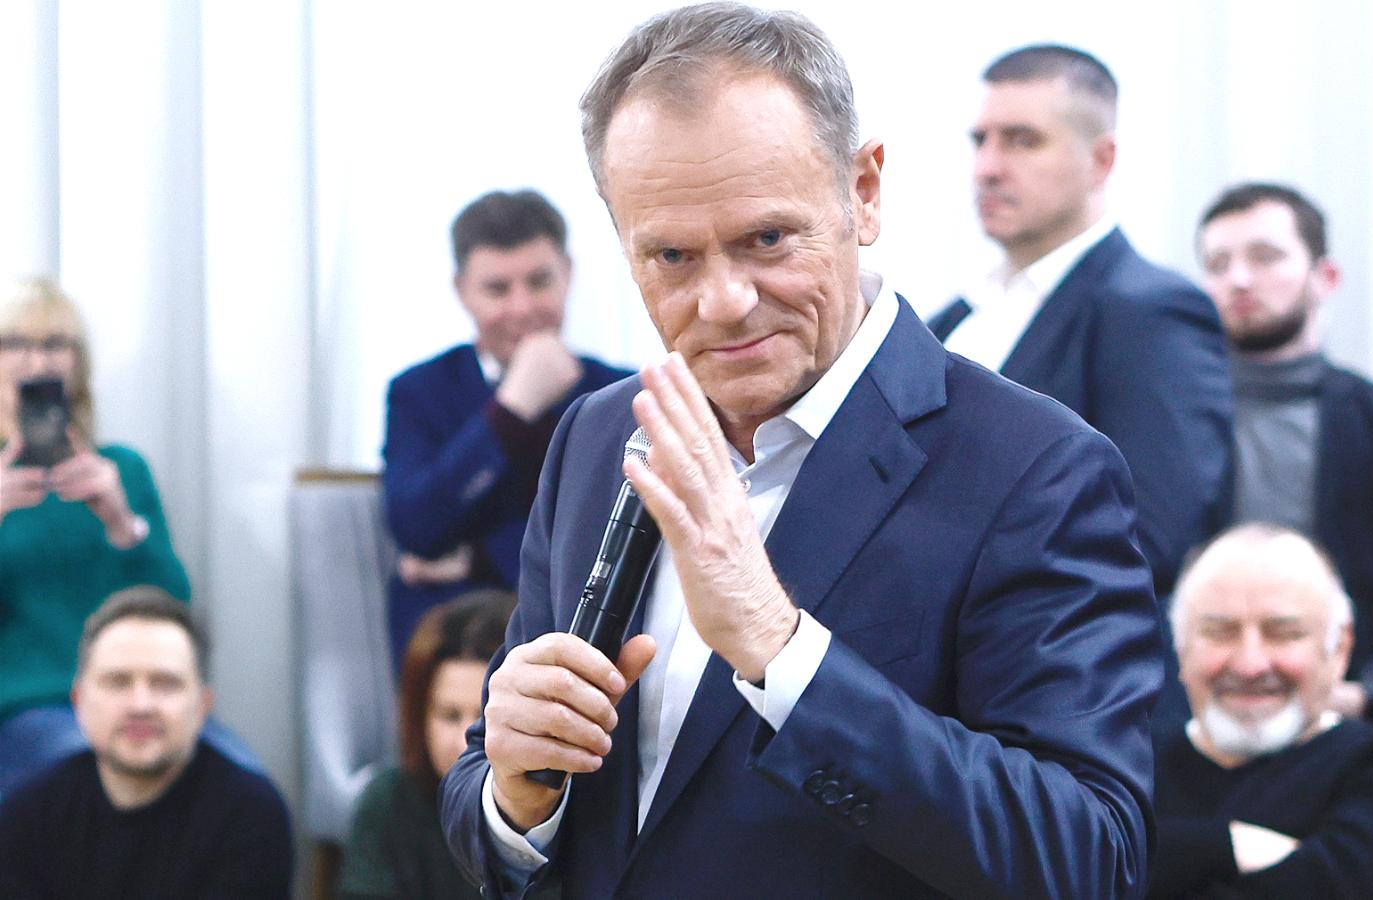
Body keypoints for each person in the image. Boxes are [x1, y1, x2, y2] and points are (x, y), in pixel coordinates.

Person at [439, 5, 1162, 898]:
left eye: (767, 239)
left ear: (864, 192)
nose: (725, 301)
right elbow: (500, 791)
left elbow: (1090, 859)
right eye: (671, 256)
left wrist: (782, 652)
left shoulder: (1036, 470)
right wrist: (515, 797)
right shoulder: (595, 435)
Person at [926, 44, 1232, 598]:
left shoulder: (1151, 312)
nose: (988, 168)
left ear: (1102, 160)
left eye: (1023, 141)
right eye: (980, 141)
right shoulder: (952, 319)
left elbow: (1149, 538)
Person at [382, 190, 631, 670]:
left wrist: (478, 558)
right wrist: (511, 410)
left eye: (539, 281)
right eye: (498, 289)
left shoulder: (620, 391)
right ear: (462, 291)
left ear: (568, 274)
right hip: (455, 633)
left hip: (581, 624)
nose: (522, 307)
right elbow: (416, 528)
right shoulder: (419, 391)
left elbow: (613, 542)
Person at [1198, 183, 1373, 720]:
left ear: (1325, 277)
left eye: (1265, 257)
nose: (1239, 279)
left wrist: (1369, 695)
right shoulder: (1172, 423)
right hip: (1190, 727)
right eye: (1218, 264)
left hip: (1357, 729)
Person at [0, 277, 190, 797]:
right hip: (27, 707)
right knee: (84, 774)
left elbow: (175, 609)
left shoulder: (122, 469)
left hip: (137, 699)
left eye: (54, 344)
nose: (36, 362)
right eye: (15, 344)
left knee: (240, 783)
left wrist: (122, 523)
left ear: (78, 365)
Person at [1150, 525, 1373, 898]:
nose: (1250, 664)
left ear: (1339, 649)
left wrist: (1159, 856)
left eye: (1283, 633)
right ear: (1180, 648)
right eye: (1219, 632)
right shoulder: (1127, 772)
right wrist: (1228, 845)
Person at [0, 587, 294, 898]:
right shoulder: (29, 813)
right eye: (118, 682)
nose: (140, 705)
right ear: (79, 702)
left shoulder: (249, 817)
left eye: (165, 683)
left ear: (202, 706)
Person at [339, 589, 517, 900]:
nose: (465, 741)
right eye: (449, 716)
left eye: (485, 717)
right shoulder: (388, 803)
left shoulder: (572, 810)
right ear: (420, 716)